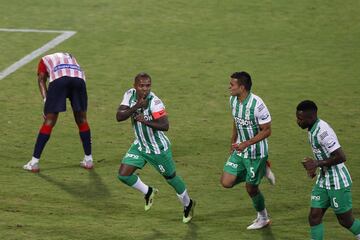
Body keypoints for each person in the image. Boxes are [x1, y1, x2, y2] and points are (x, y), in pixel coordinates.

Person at [116, 72, 195, 223]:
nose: (145, 89)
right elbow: (119, 116)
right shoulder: (129, 94)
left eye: (148, 86)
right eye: (141, 86)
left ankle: (188, 204)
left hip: (158, 149)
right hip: (140, 145)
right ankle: (148, 191)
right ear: (135, 86)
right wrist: (136, 107)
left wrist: (145, 121)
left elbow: (165, 126)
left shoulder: (155, 102)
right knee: (123, 175)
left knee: (171, 179)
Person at [297, 100, 360, 240]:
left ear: (311, 117)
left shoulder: (323, 132)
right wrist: (313, 166)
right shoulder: (312, 129)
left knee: (346, 221)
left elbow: (341, 156)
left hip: (337, 181)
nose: (298, 122)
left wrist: (317, 163)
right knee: (314, 217)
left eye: (300, 119)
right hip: (323, 179)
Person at [220, 71, 274, 230]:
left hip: (256, 153)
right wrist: (233, 141)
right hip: (239, 149)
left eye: (232, 85)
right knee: (226, 182)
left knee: (251, 188)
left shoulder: (258, 105)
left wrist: (247, 143)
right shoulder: (233, 100)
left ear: (242, 87)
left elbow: (267, 130)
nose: (229, 87)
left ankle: (263, 218)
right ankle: (260, 171)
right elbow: (236, 120)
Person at [23, 52, 93, 172]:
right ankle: (88, 160)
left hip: (60, 80)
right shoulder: (71, 57)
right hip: (79, 80)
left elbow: (41, 79)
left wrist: (46, 101)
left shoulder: (44, 60)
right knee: (82, 120)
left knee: (49, 121)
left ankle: (34, 162)